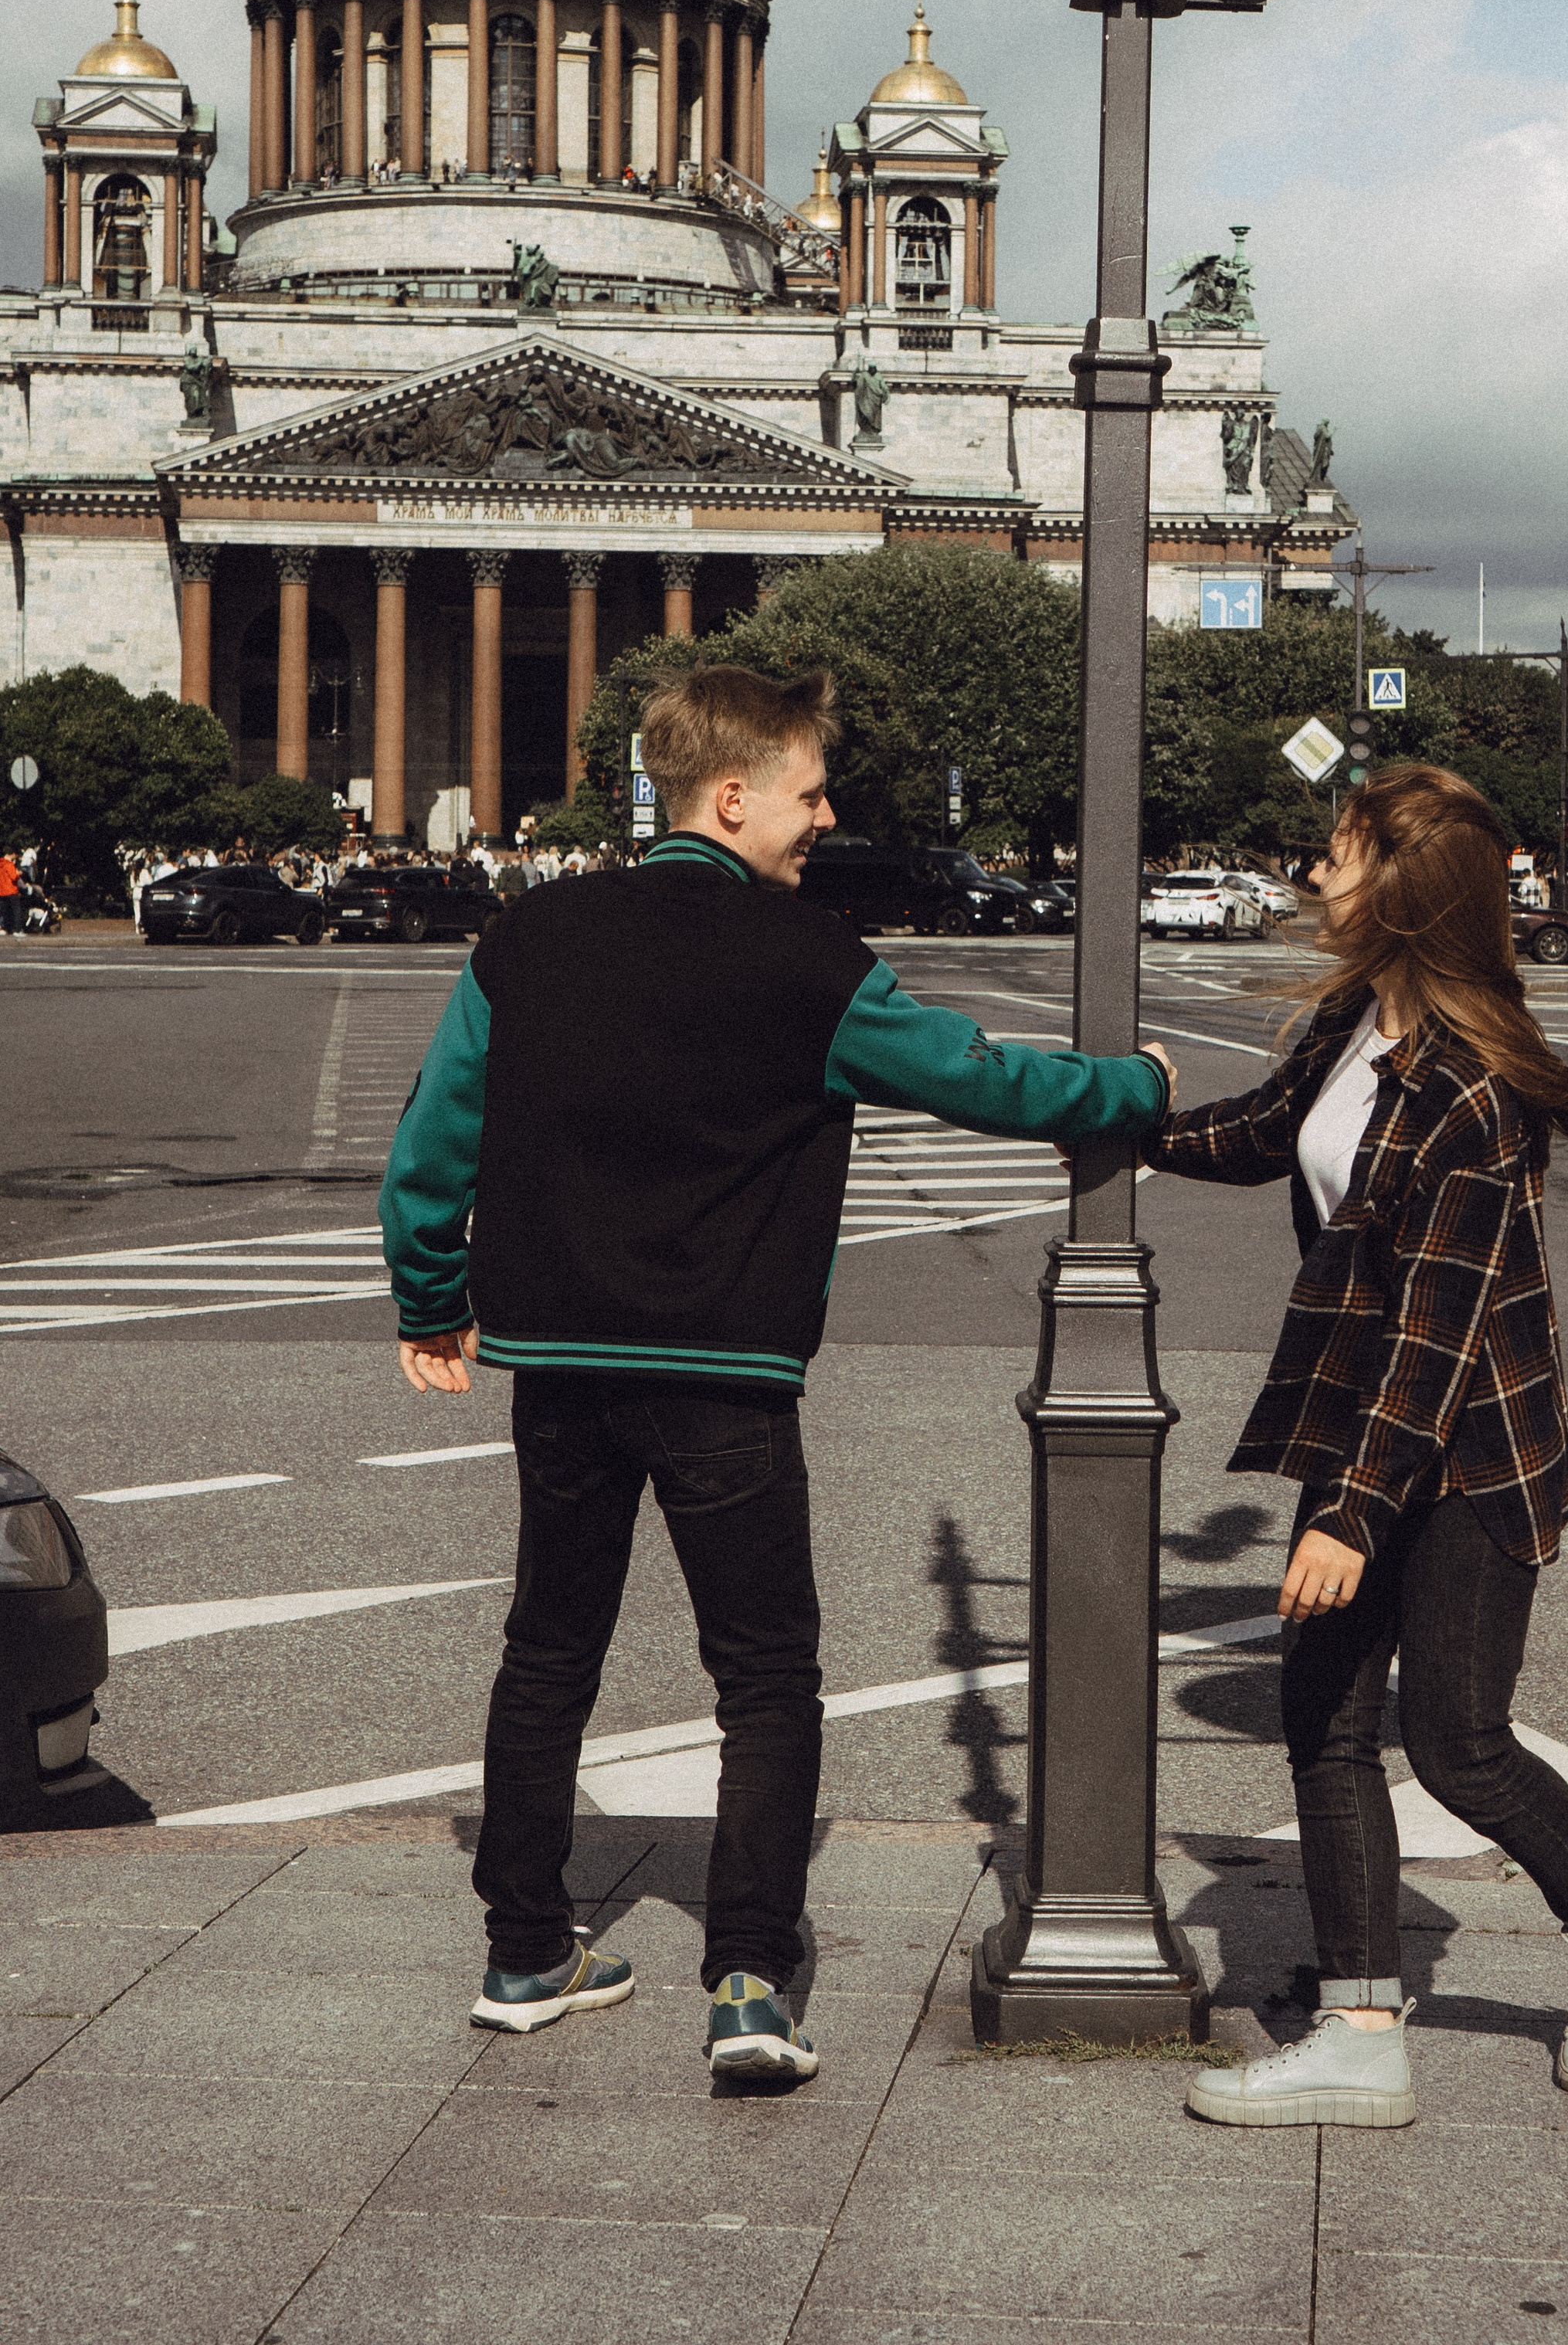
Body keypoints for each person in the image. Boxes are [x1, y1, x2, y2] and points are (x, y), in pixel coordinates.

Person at [379, 665, 1173, 2076]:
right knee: (763, 1673)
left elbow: (432, 1139)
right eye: (808, 793)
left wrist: (434, 1298)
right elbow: (979, 1076)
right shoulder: (809, 958)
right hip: (725, 1371)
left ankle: (522, 1950)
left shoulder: (531, 935)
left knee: (548, 1651)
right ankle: (748, 1979)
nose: (823, 819)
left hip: (557, 1361)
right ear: (732, 796)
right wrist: (1139, 1088)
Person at [1142, 763, 1568, 2132]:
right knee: (1323, 1726)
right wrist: (1118, 1115)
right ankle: (1361, 2031)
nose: (1318, 873)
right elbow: (1264, 1134)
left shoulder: (1475, 1096)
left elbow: (1439, 1337)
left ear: (1408, 893)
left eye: (1344, 852)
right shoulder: (1351, 1029)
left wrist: (1349, 1514)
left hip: (1473, 1450)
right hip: (1369, 1424)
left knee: (1457, 1741)